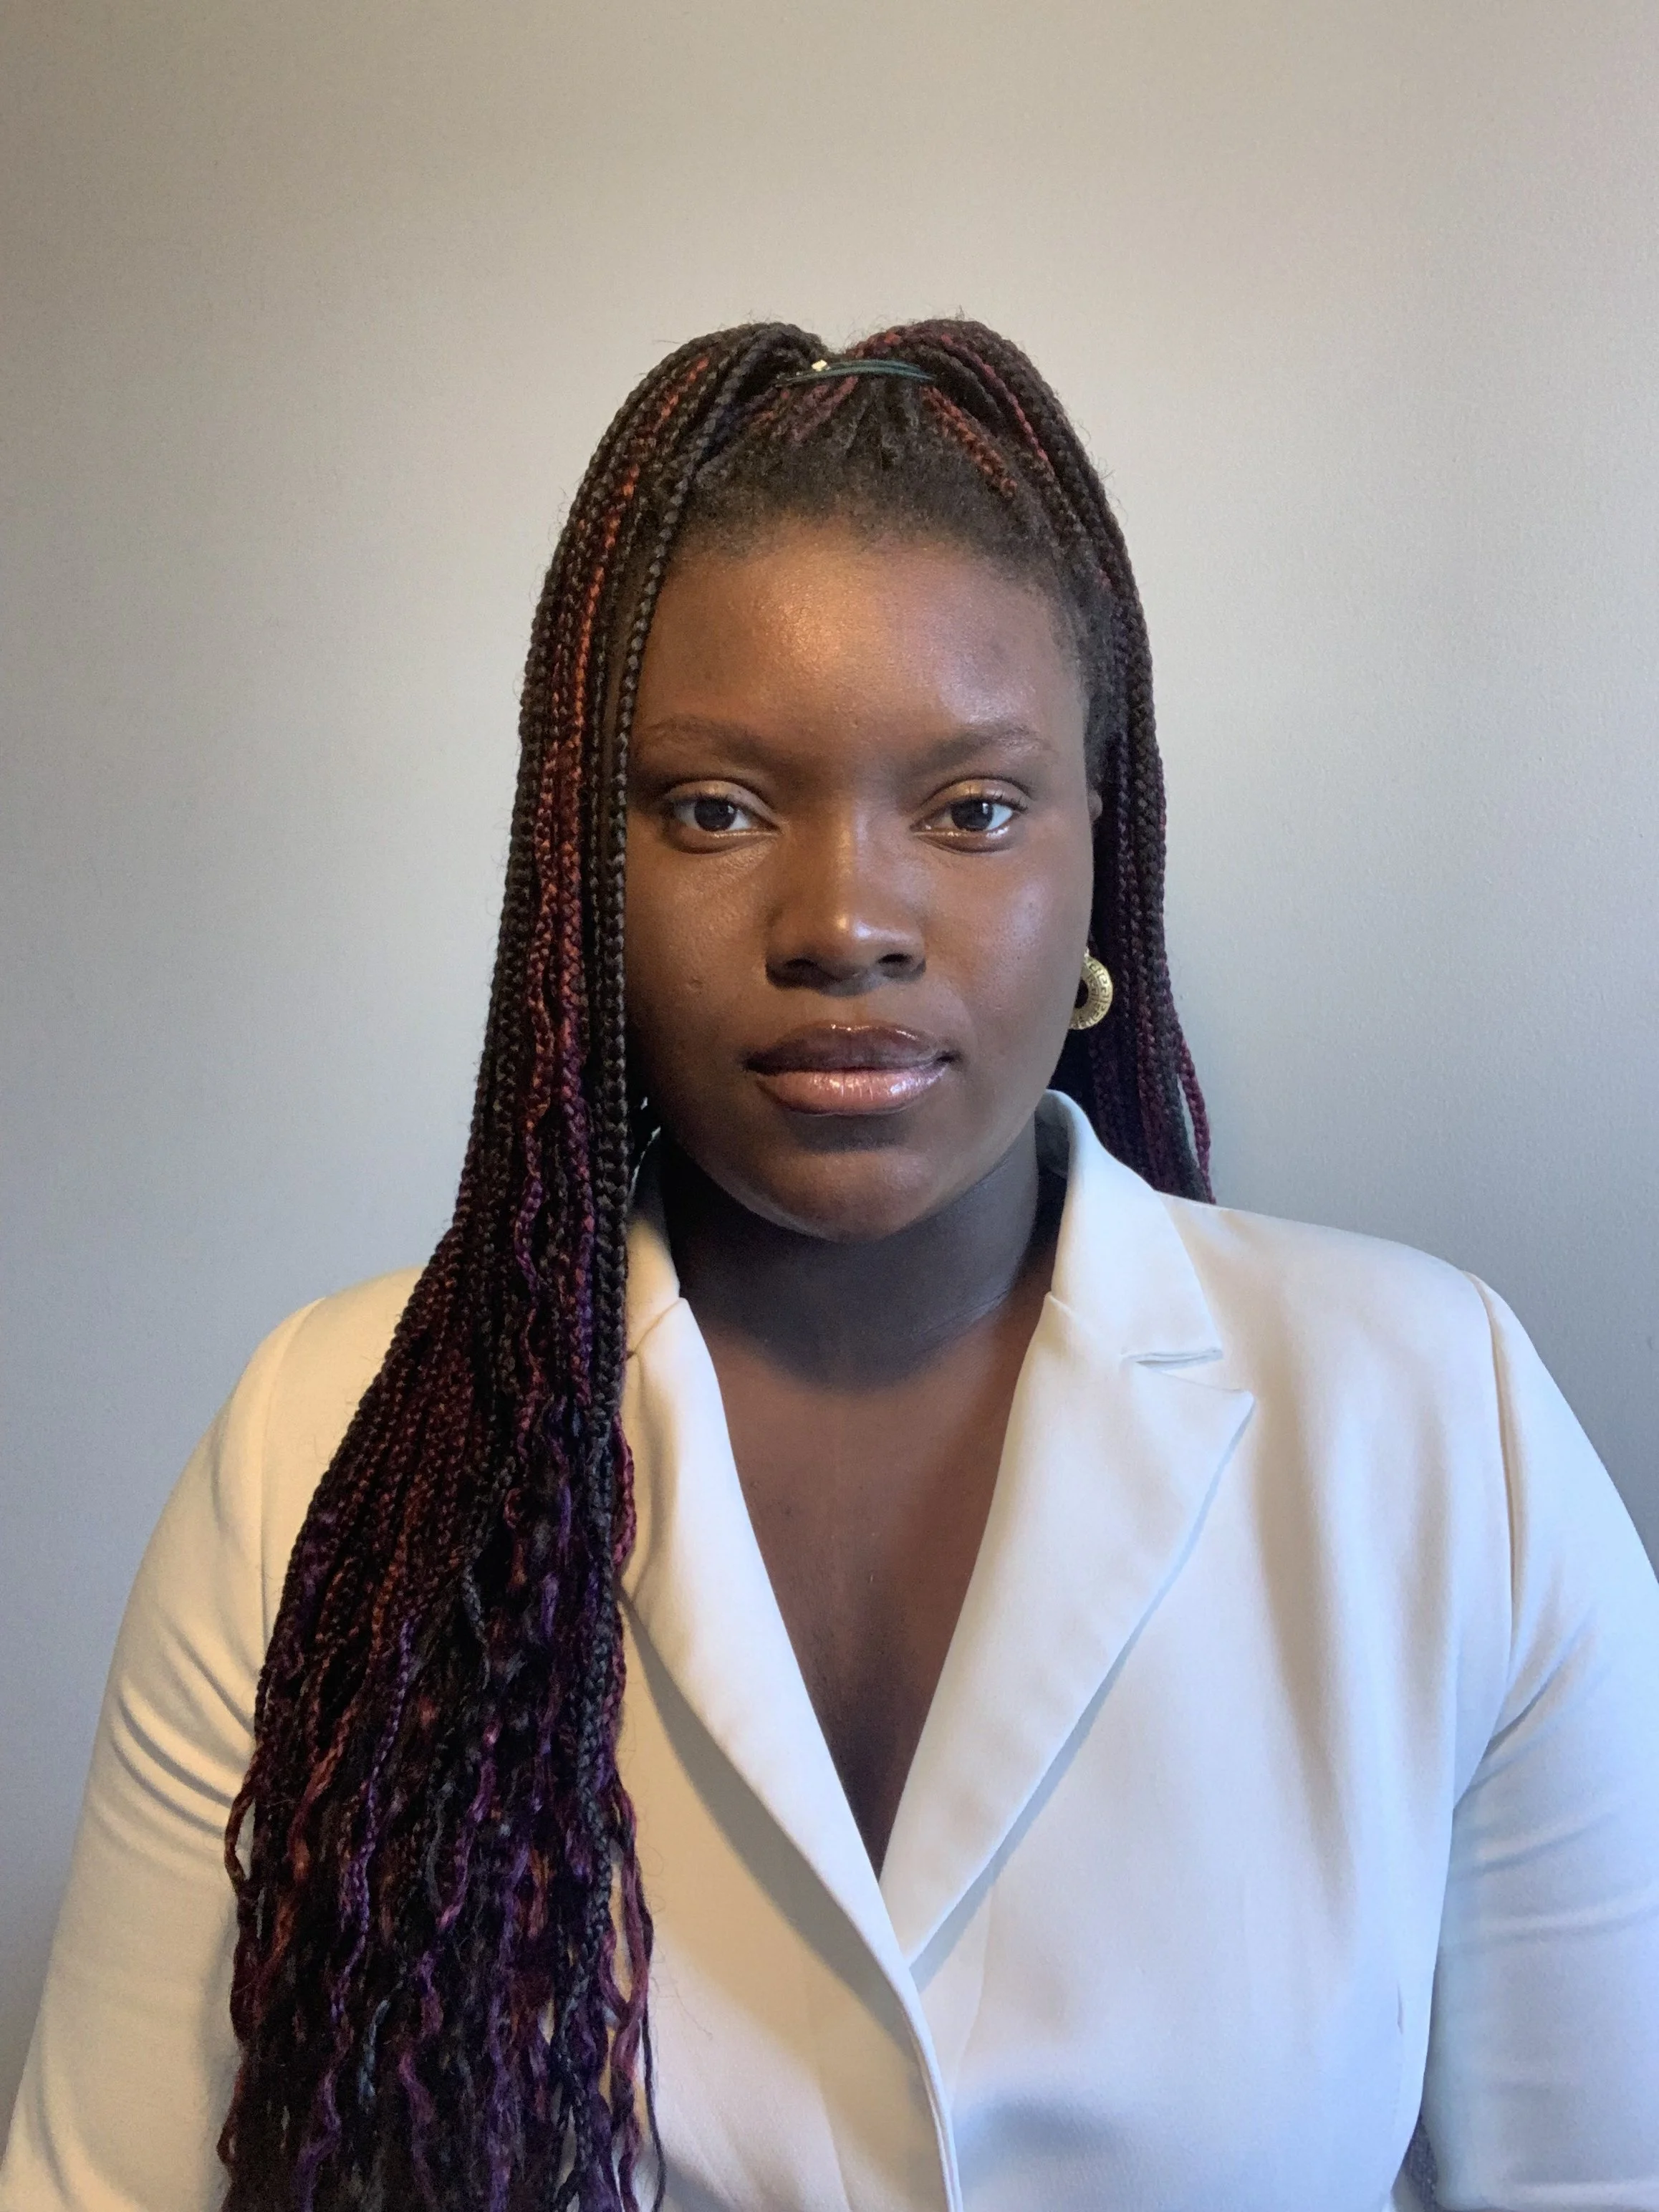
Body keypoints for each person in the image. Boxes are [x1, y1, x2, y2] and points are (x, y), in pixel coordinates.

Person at [3, 321, 1656, 2212]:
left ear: (1099, 851)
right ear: (578, 873)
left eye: (972, 809)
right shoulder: (321, 1443)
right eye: (715, 808)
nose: (848, 920)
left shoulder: (1439, 1419)